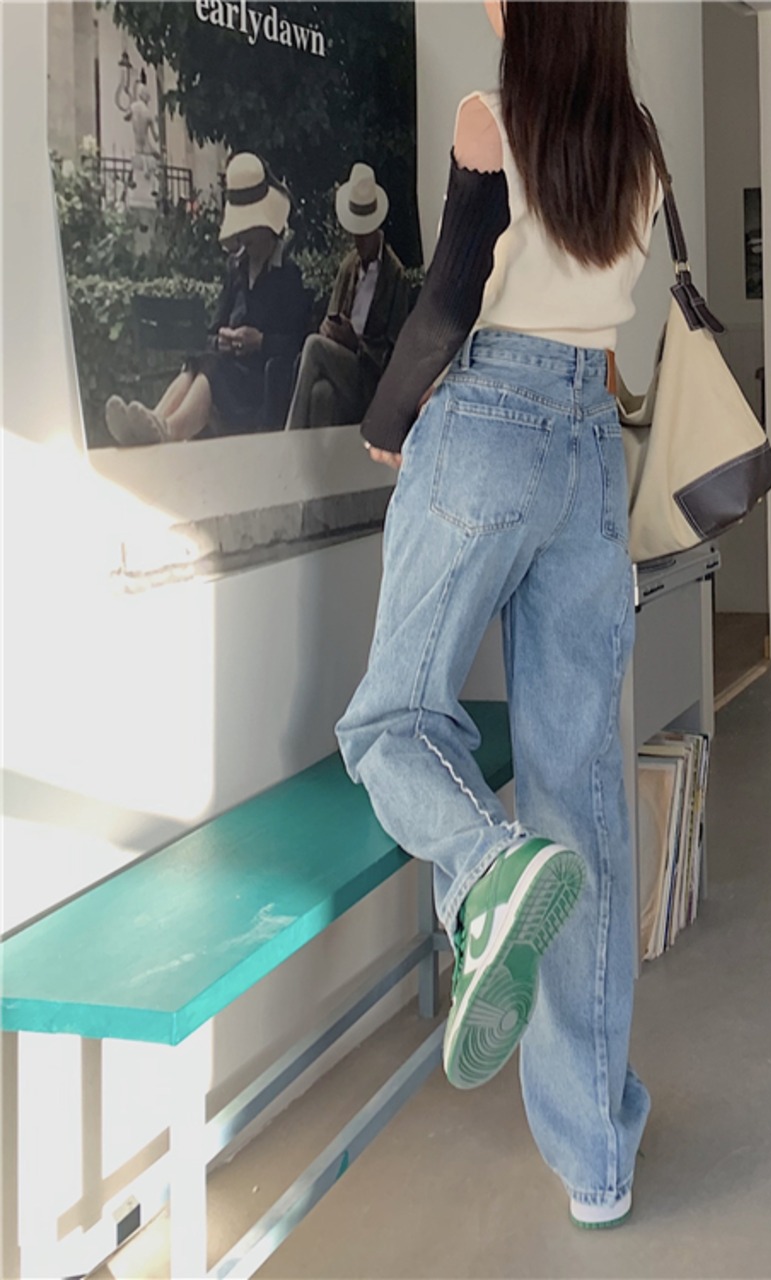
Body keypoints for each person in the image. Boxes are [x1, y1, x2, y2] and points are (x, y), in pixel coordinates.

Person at [335, 0, 663, 1230]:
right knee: (581, 792)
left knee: (390, 723)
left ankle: (486, 866)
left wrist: (386, 422)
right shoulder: (636, 139)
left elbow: (448, 301)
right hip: (588, 443)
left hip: (485, 422)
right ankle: (597, 1164)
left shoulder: (491, 119)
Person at [105, 153, 310, 446]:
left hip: (258, 385)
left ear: (268, 228)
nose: (245, 238)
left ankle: (169, 431)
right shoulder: (236, 269)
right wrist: (221, 340)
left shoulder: (287, 276)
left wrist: (260, 341)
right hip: (226, 369)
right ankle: (155, 419)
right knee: (201, 361)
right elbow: (211, 332)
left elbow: (297, 343)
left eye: (251, 230)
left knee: (214, 368)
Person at [284, 162, 410, 430]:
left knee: (313, 346)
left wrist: (358, 343)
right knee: (321, 395)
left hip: (370, 375)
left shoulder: (394, 275)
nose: (359, 240)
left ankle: (289, 435)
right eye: (356, 233)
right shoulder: (348, 266)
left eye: (364, 233)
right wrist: (331, 330)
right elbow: (330, 321)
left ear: (376, 228)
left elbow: (395, 349)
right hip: (341, 366)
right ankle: (311, 457)